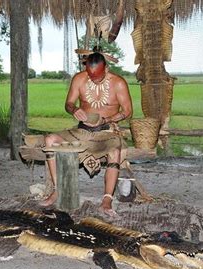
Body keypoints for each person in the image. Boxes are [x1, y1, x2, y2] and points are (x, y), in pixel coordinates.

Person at [40, 52, 133, 217]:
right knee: (50, 139)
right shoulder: (79, 79)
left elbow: (127, 112)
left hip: (106, 131)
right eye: (91, 76)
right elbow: (68, 104)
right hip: (82, 131)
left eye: (98, 76)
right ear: (85, 68)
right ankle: (58, 190)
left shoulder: (118, 83)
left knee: (115, 150)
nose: (94, 79)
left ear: (106, 68)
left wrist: (105, 120)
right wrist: (74, 110)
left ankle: (107, 200)